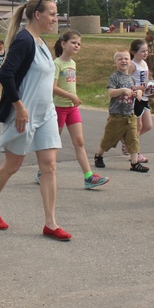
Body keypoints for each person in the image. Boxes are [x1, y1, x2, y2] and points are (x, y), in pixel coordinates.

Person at [0, 0, 70, 241]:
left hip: (46, 114)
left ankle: (51, 223)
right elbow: (5, 74)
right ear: (37, 15)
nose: (56, 18)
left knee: (49, 166)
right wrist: (19, 107)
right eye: (52, 13)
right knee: (13, 165)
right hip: (24, 114)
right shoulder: (24, 40)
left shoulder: (41, 42)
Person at [44, 30, 108, 190]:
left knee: (79, 142)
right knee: (53, 143)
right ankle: (43, 171)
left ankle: (88, 176)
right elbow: (52, 87)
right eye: (74, 42)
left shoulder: (73, 64)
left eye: (79, 44)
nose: (77, 46)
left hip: (72, 109)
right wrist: (71, 96)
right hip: (58, 109)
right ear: (63, 44)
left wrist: (73, 98)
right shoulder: (56, 63)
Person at [92, 49, 149, 173]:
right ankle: (99, 155)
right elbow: (111, 92)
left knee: (133, 139)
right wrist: (122, 90)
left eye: (126, 58)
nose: (124, 61)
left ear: (130, 61)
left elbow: (133, 89)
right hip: (116, 116)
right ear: (115, 62)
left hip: (130, 115)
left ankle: (134, 163)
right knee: (109, 139)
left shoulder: (130, 78)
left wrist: (138, 92)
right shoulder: (114, 77)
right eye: (120, 59)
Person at [123, 38, 152, 163]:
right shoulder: (132, 65)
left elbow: (146, 80)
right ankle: (135, 152)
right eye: (142, 51)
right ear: (134, 52)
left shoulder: (144, 64)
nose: (145, 53)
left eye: (146, 51)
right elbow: (124, 82)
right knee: (138, 126)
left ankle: (127, 141)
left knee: (148, 125)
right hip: (135, 98)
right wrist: (136, 88)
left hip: (144, 97)